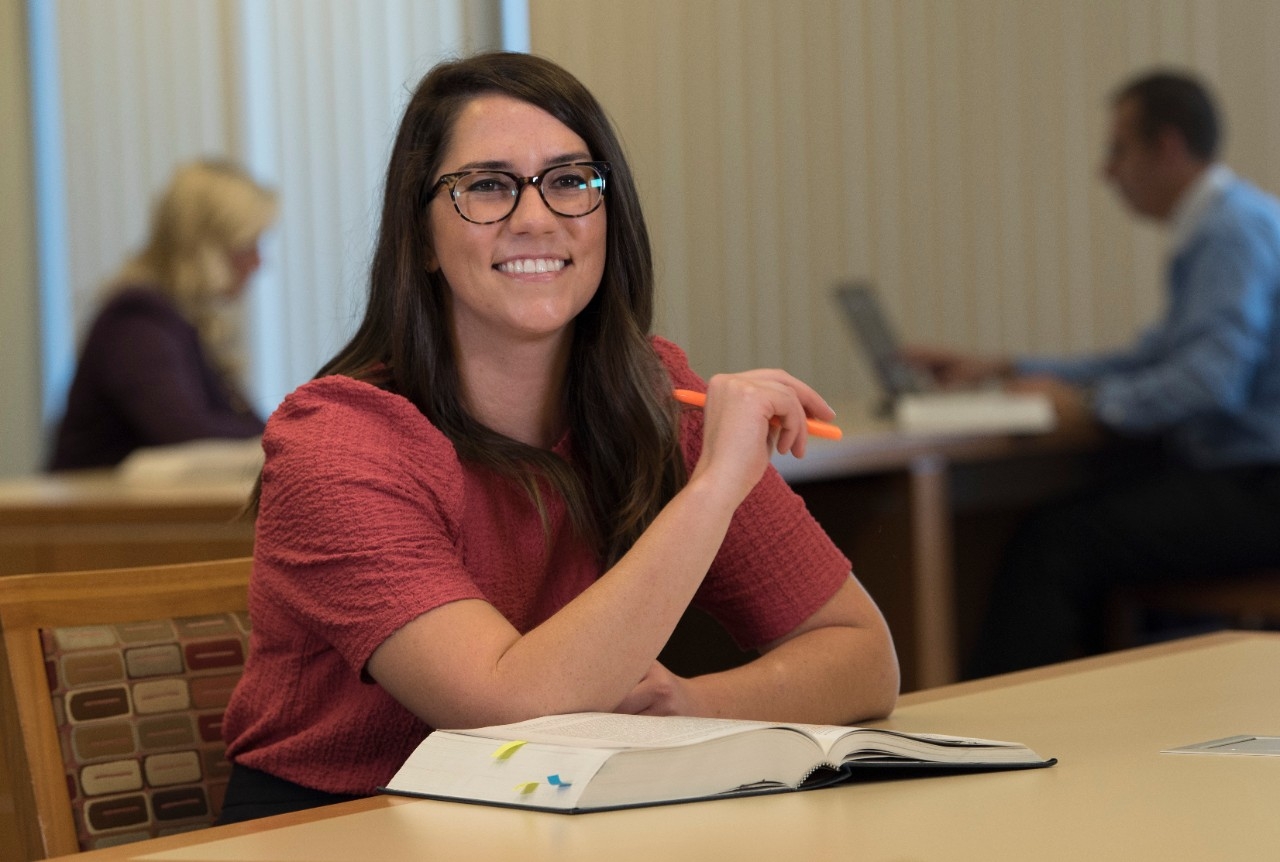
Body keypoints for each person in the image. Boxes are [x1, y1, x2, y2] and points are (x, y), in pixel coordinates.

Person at [217, 51, 899, 822]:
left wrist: (696, 705)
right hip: (336, 830)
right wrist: (714, 489)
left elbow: (863, 656)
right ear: (424, 238)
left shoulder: (652, 395)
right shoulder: (339, 441)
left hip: (552, 822)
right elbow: (506, 709)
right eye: (487, 186)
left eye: (571, 180)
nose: (537, 217)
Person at [907, 70, 1280, 677]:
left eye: (1118, 149)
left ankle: (1005, 730)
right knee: (1094, 505)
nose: (1107, 172)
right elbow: (1153, 358)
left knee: (1055, 542)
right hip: (1250, 474)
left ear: (1167, 146)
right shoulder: (1238, 220)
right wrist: (1011, 368)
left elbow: (1211, 379)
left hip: (1261, 485)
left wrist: (1091, 406)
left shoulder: (1229, 233)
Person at [48, 159, 278, 471]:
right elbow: (188, 433)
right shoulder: (136, 321)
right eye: (247, 245)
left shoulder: (184, 320)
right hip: (91, 516)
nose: (258, 262)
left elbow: (248, 428)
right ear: (207, 246)